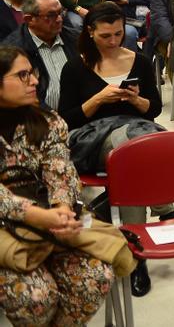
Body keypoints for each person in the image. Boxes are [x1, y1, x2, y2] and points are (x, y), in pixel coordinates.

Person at [58, 2, 169, 297]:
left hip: (134, 130)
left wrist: (134, 100)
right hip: (91, 138)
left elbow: (153, 109)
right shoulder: (75, 66)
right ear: (90, 33)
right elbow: (66, 119)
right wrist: (99, 99)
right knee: (132, 149)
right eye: (105, 36)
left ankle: (134, 253)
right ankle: (163, 208)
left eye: (118, 34)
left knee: (133, 151)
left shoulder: (140, 61)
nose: (113, 41)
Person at [0, 46, 113, 323]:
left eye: (33, 73)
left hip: (50, 219)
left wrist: (62, 210)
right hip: (9, 226)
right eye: (23, 75)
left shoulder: (49, 122)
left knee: (96, 277)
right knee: (36, 296)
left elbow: (60, 170)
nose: (35, 81)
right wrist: (39, 216)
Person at [1, 0, 77, 111]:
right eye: (51, 15)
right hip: (39, 120)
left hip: (83, 113)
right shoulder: (14, 50)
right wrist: (53, 118)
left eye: (61, 12)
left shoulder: (74, 38)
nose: (59, 19)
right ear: (29, 19)